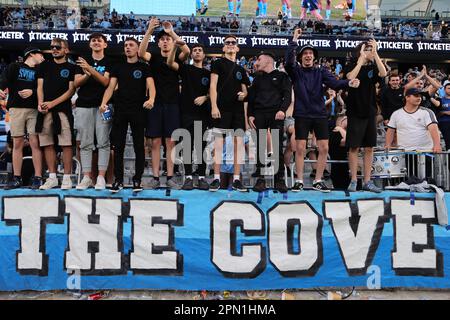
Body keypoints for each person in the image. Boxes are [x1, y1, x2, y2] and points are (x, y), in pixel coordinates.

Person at [285, 28, 359, 192]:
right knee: (300, 148)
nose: (308, 55)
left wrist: (348, 83)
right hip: (302, 114)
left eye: (311, 53)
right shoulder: (295, 71)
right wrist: (294, 40)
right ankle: (299, 181)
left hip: (319, 114)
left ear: (314, 57)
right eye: (305, 53)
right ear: (301, 57)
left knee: (324, 148)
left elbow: (335, 83)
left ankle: (318, 180)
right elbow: (288, 62)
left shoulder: (321, 71)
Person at [139, 19, 190, 190]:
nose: (166, 41)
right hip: (155, 104)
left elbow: (186, 50)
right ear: (159, 42)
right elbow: (140, 52)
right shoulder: (152, 56)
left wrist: (172, 31)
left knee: (170, 142)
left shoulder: (177, 57)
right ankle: (154, 177)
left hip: (173, 104)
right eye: (163, 39)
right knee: (155, 142)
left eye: (168, 39)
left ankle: (169, 176)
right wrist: (149, 30)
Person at [100, 38, 156, 193]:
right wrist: (104, 102)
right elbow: (111, 87)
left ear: (138, 49)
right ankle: (118, 180)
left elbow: (151, 86)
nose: (128, 47)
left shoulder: (144, 67)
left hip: (139, 110)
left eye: (131, 45)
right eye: (125, 45)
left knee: (139, 146)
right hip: (121, 110)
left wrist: (151, 99)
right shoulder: (118, 67)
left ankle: (137, 179)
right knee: (118, 147)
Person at [345, 39, 387, 193]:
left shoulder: (374, 67)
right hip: (355, 110)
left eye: (372, 48)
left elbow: (384, 73)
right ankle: (354, 180)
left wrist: (375, 54)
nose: (370, 50)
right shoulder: (352, 64)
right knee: (354, 147)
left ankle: (368, 181)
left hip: (370, 111)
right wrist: (360, 61)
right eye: (368, 48)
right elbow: (350, 77)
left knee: (369, 147)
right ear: (361, 50)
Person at [209, 35, 250, 192]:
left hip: (237, 111)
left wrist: (245, 95)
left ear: (237, 48)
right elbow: (212, 86)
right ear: (224, 47)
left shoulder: (241, 70)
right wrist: (214, 106)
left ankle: (237, 179)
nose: (231, 45)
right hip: (222, 108)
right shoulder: (217, 63)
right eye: (228, 43)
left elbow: (246, 91)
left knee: (238, 144)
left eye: (234, 43)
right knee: (219, 143)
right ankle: (216, 178)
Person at [167, 43, 210, 190]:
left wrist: (205, 97)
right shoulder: (185, 69)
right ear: (191, 55)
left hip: (202, 114)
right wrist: (174, 47)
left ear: (204, 55)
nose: (197, 52)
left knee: (201, 146)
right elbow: (170, 63)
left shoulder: (208, 74)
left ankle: (202, 177)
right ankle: (189, 178)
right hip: (186, 113)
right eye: (195, 51)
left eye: (200, 50)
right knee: (187, 147)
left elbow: (215, 91)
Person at [0, 47, 44, 189]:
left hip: (33, 109)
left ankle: (38, 177)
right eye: (40, 55)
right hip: (16, 108)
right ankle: (17, 177)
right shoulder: (15, 66)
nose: (42, 57)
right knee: (17, 143)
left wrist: (32, 91)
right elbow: (4, 80)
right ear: (31, 54)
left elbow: (44, 88)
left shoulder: (40, 70)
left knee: (35, 143)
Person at [248, 51, 291, 193]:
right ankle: (260, 179)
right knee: (260, 146)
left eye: (259, 59)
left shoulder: (282, 76)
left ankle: (279, 179)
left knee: (277, 146)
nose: (256, 62)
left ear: (267, 61)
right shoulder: (257, 79)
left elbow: (287, 96)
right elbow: (251, 99)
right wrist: (250, 115)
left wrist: (282, 110)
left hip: (276, 115)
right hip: (260, 114)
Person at [36, 38, 76, 190]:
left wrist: (53, 103)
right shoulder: (44, 65)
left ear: (66, 50)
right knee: (47, 143)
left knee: (66, 143)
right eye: (52, 47)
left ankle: (67, 178)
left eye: (58, 47)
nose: (54, 49)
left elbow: (71, 91)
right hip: (45, 110)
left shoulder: (71, 68)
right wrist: (41, 103)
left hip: (63, 110)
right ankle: (52, 177)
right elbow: (40, 87)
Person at [73, 32, 111, 190]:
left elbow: (105, 81)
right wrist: (88, 73)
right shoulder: (81, 61)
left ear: (105, 45)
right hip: (83, 105)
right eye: (93, 40)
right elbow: (76, 83)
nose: (96, 42)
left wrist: (89, 69)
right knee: (85, 143)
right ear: (90, 45)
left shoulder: (110, 61)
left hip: (103, 106)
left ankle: (101, 177)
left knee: (103, 142)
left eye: (99, 40)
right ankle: (87, 176)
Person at [385, 88, 441, 154]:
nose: (419, 98)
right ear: (407, 97)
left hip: (424, 151)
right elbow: (390, 131)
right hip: (403, 152)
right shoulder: (396, 114)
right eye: (416, 96)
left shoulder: (427, 112)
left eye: (420, 96)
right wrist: (388, 144)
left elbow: (434, 129)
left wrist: (437, 145)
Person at [435, 80, 450, 150]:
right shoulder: (440, 100)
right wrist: (445, 112)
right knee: (447, 140)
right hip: (444, 122)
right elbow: (437, 112)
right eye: (449, 88)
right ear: (444, 89)